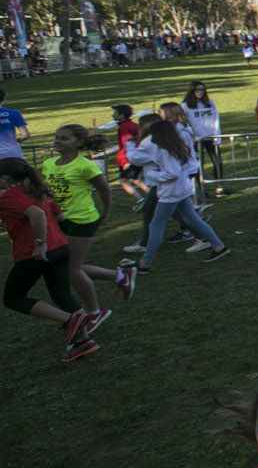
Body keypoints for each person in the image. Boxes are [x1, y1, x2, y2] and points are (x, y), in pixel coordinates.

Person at [0, 157, 98, 360]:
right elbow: (60, 218)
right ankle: (83, 341)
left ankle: (70, 321)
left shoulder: (9, 197)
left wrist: (40, 243)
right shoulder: (38, 191)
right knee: (62, 295)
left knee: (13, 298)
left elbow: (37, 215)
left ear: (4, 178)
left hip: (35, 253)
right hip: (60, 248)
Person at [41, 124, 131, 326]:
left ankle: (94, 311)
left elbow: (104, 191)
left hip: (83, 220)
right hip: (60, 221)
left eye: (64, 138)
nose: (57, 141)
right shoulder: (48, 164)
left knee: (72, 269)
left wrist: (105, 214)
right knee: (70, 266)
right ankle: (119, 276)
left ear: (79, 143)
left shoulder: (85, 166)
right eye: (57, 137)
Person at [134, 120, 229, 270]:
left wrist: (152, 175)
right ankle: (218, 246)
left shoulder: (165, 151)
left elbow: (173, 172)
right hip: (182, 190)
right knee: (194, 220)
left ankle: (144, 264)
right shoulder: (177, 145)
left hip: (171, 193)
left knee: (156, 225)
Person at [181, 80, 225, 192]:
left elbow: (216, 119)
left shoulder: (210, 103)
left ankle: (219, 186)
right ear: (192, 91)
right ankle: (201, 189)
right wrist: (192, 136)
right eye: (197, 90)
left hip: (210, 137)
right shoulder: (185, 106)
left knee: (218, 162)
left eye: (202, 89)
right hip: (195, 139)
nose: (200, 92)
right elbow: (185, 122)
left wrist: (216, 135)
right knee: (198, 165)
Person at [0, 88, 30, 161]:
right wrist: (16, 140)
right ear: (3, 98)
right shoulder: (14, 113)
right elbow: (26, 135)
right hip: (13, 154)